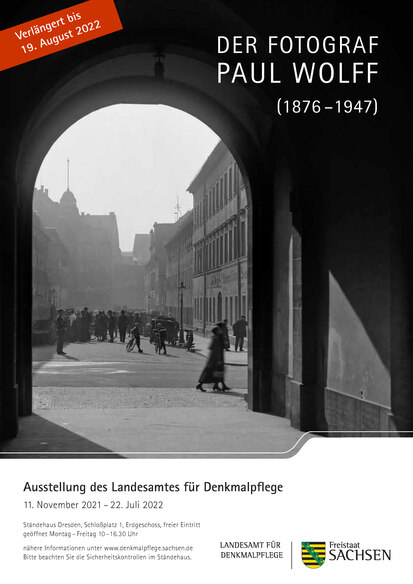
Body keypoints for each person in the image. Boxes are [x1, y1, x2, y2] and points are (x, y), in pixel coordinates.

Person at [196, 325, 230, 392]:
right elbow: (217, 350)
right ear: (216, 332)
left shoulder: (216, 338)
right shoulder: (216, 339)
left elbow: (212, 347)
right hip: (215, 359)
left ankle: (219, 385)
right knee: (210, 373)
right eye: (218, 330)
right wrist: (219, 360)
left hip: (214, 359)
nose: (219, 331)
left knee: (217, 373)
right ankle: (200, 385)